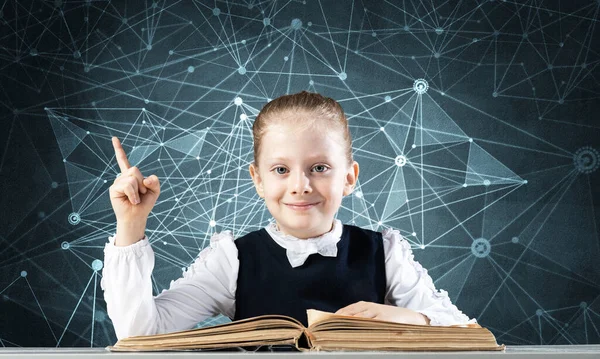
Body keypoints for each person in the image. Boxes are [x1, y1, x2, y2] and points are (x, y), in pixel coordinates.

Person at [101, 91, 476, 340]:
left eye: (320, 168)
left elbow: (466, 333)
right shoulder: (231, 259)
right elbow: (139, 334)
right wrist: (130, 224)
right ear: (258, 179)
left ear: (349, 177)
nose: (300, 186)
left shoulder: (385, 252)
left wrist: (411, 319)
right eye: (281, 170)